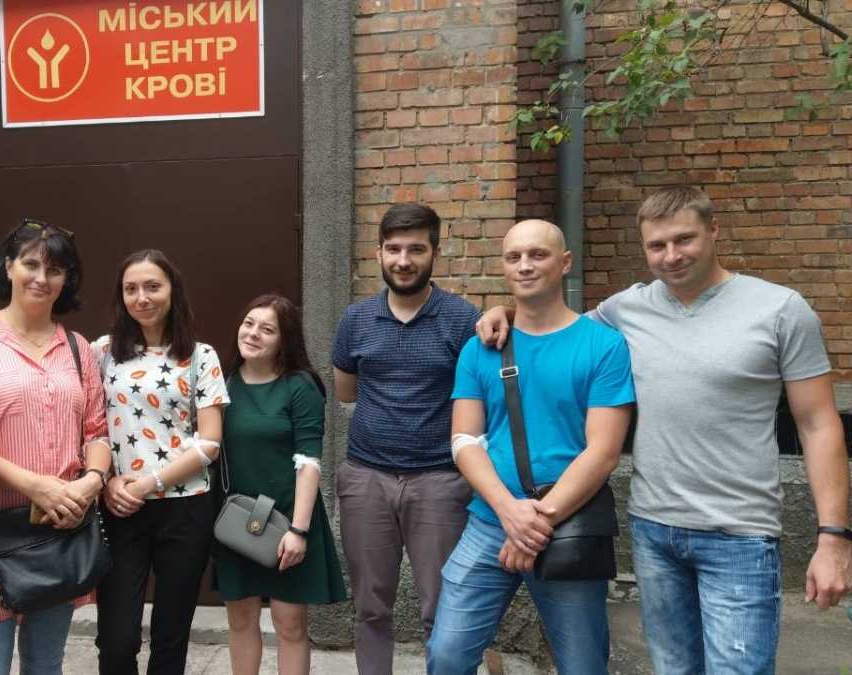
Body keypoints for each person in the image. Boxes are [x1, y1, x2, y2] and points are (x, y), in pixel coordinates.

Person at [478, 186, 852, 674]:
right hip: (654, 530)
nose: (671, 256)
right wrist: (503, 311)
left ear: (713, 230)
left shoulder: (780, 309)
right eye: (657, 245)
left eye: (684, 239)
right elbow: (554, 326)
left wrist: (833, 539)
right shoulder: (626, 309)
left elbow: (818, 425)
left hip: (740, 534)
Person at [426, 220, 635, 674]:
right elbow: (464, 440)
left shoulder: (604, 346)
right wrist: (509, 512)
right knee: (446, 655)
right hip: (489, 521)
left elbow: (603, 452)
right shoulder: (481, 348)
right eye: (514, 257)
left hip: (570, 523)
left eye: (537, 255)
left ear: (565, 263)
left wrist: (536, 523)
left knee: (583, 665)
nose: (524, 265)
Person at [0, 218, 110, 675]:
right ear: (8, 266)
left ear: (66, 280)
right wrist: (34, 485)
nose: (41, 278)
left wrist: (90, 483)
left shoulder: (77, 348)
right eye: (31, 264)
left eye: (55, 270)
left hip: (58, 530)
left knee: (45, 666)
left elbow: (96, 432)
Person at [330, 202, 481, 673]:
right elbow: (347, 391)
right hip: (367, 480)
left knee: (444, 609)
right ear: (378, 252)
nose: (403, 260)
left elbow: (478, 397)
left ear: (435, 253)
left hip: (441, 481)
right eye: (393, 249)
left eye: (416, 249)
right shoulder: (355, 320)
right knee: (370, 607)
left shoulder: (462, 320)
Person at [92, 249, 228, 675]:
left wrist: (148, 483)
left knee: (171, 638)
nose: (142, 298)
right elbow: (90, 429)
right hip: (119, 508)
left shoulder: (201, 356)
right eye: (131, 289)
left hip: (185, 507)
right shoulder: (102, 353)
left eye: (153, 286)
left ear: (172, 290)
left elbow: (210, 443)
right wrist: (108, 481)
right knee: (116, 642)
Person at [214, 294, 347, 675]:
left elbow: (309, 462)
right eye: (249, 323)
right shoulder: (223, 384)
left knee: (289, 624)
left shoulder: (300, 386)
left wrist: (299, 530)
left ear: (283, 339)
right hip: (236, 523)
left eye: (267, 329)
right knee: (240, 620)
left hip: (288, 521)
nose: (253, 334)